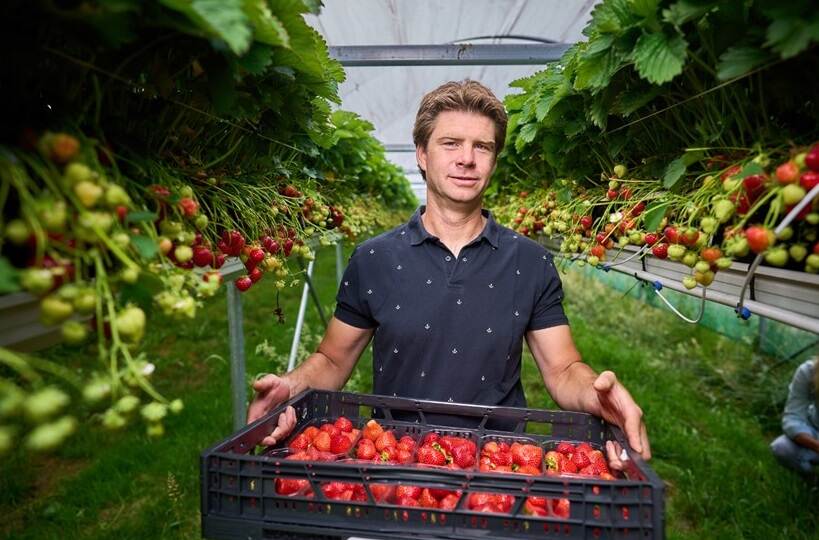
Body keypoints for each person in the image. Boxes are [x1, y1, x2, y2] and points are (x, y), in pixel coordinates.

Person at [247, 80, 651, 468]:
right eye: (451, 143)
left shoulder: (530, 262)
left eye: (482, 146)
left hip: (497, 462)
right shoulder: (373, 259)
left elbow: (563, 370)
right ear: (422, 154)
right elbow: (333, 359)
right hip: (394, 458)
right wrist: (292, 384)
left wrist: (600, 397)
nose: (467, 158)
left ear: (493, 159)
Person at [771, 357, 819, 476]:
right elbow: (793, 417)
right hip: (815, 431)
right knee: (782, 447)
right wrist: (815, 445)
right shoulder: (808, 371)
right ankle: (812, 482)